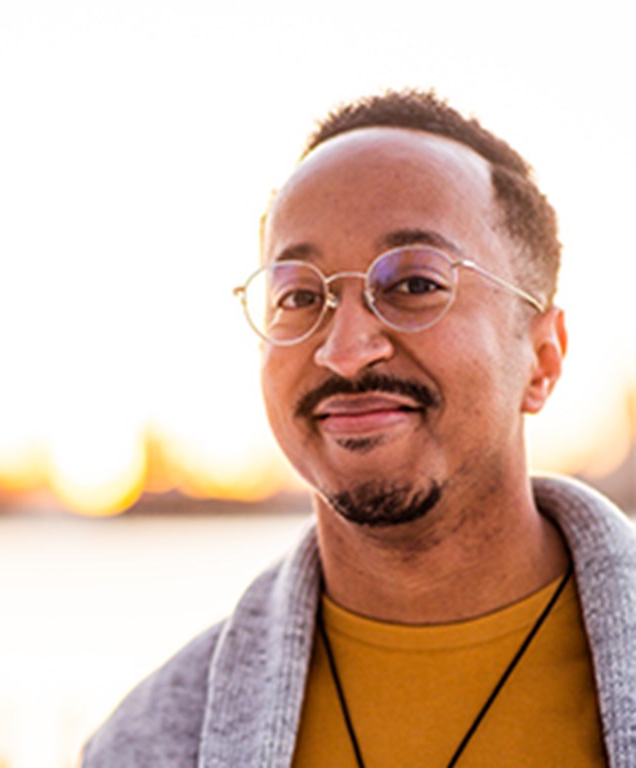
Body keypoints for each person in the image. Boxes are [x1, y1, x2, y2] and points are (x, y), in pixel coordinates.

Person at [82, 90, 636, 767]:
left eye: (413, 284)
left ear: (542, 359)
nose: (344, 349)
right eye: (300, 296)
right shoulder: (149, 744)